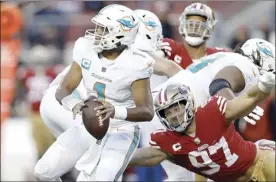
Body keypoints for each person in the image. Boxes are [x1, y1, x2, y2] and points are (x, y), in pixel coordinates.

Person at [34, 4, 154, 181]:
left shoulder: (136, 64)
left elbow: (147, 111)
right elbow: (64, 89)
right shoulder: (85, 48)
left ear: (121, 33)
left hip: (121, 129)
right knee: (43, 172)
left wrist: (114, 110)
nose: (96, 33)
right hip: (89, 124)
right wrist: (74, 104)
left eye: (103, 29)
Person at [129, 73, 276, 182]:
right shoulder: (168, 143)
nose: (174, 115)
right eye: (167, 112)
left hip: (260, 164)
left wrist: (263, 86)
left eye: (176, 108)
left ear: (188, 103)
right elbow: (141, 156)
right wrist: (115, 156)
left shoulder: (212, 112)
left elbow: (248, 98)